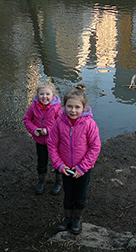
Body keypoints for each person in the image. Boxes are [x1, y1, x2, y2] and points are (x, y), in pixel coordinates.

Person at [48, 84, 101, 235]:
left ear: (84, 107)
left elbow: (95, 147)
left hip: (83, 169)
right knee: (68, 194)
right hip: (65, 167)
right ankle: (67, 218)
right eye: (69, 106)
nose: (73, 110)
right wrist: (59, 165)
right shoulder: (59, 122)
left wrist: (82, 168)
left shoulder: (89, 124)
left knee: (80, 195)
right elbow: (52, 143)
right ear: (64, 106)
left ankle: (77, 218)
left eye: (77, 107)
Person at [23, 79, 62, 195]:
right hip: (40, 141)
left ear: (53, 95)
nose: (44, 97)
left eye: (47, 94)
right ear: (37, 95)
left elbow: (61, 125)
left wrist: (48, 131)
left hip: (55, 142)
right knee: (41, 162)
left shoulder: (57, 108)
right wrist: (33, 129)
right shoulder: (34, 107)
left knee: (57, 162)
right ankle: (41, 181)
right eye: (41, 94)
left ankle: (59, 182)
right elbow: (27, 119)